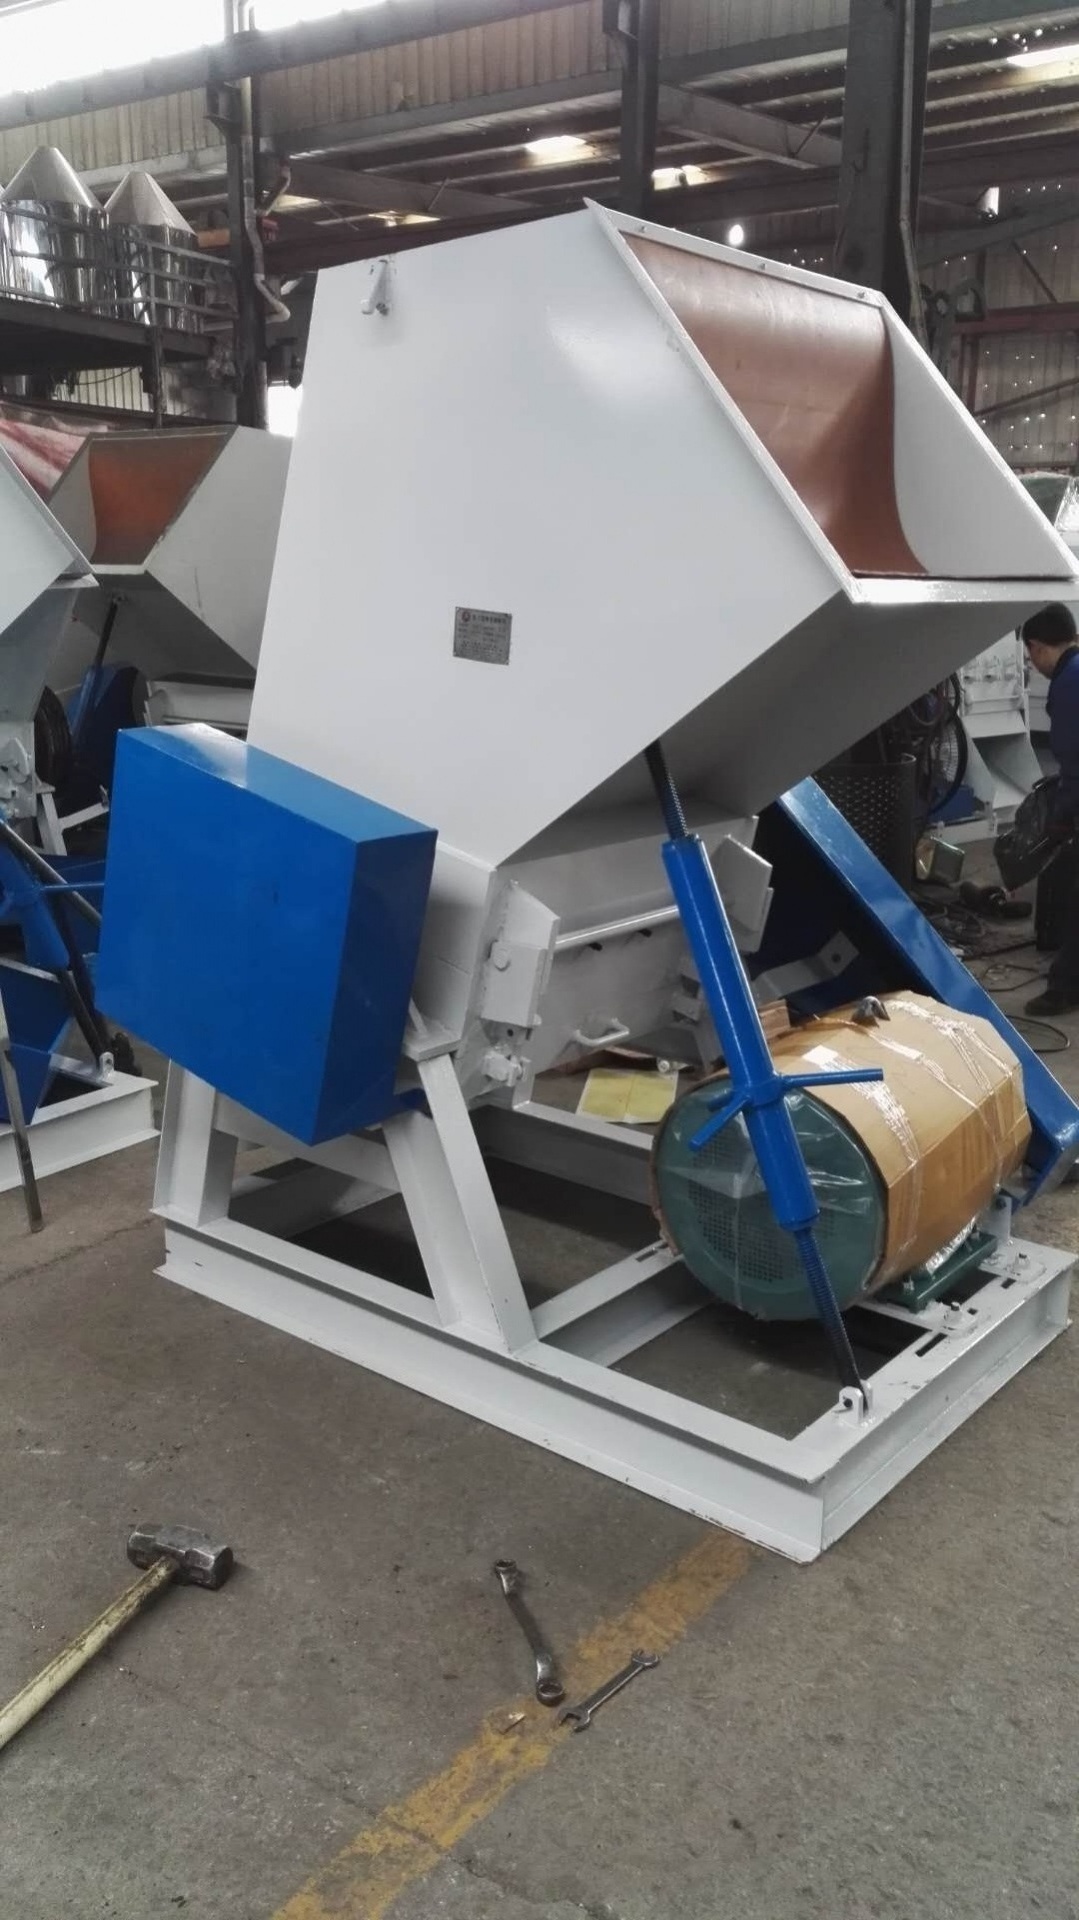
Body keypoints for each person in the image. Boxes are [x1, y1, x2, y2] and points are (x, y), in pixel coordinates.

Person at [1022, 602, 1079, 1015]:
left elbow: (1075, 761)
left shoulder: (1069, 683)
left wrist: (1061, 816)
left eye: (1030, 656)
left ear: (1038, 647)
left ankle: (1065, 989)